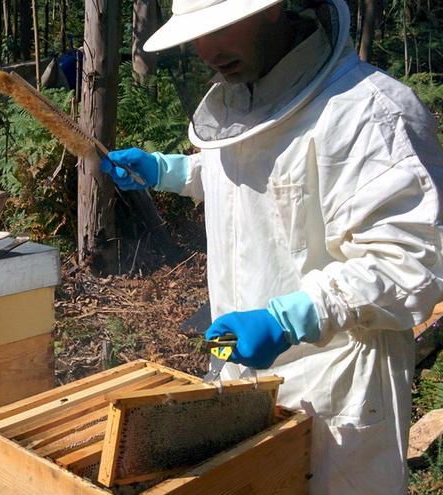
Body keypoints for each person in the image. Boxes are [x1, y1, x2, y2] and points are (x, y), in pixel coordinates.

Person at [102, 0, 443, 493]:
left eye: (221, 27)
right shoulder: (243, 100)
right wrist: (171, 170)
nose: (205, 49)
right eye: (195, 34)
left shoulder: (372, 114)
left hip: (337, 384)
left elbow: (411, 260)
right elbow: (255, 181)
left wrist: (289, 320)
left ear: (277, 9)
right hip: (241, 368)